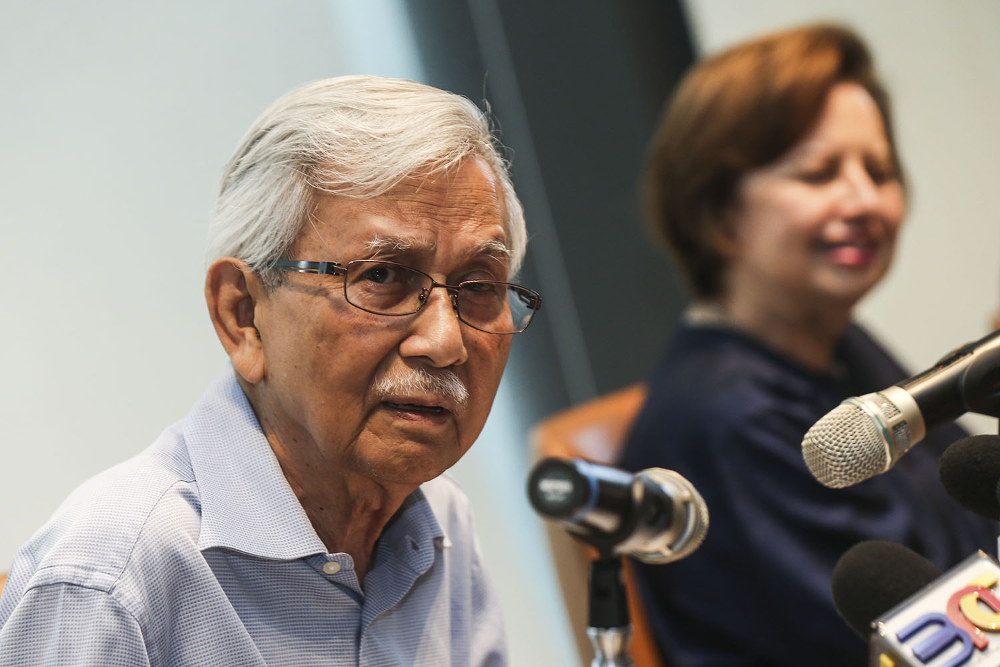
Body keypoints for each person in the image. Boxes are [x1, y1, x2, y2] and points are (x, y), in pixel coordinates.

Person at [0, 75, 542, 666]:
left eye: (479, 286)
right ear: (243, 317)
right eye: (382, 277)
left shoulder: (438, 522)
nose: (444, 341)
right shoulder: (110, 582)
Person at [620, 24, 998, 666]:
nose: (865, 199)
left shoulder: (833, 343)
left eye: (879, 170)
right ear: (721, 213)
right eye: (819, 173)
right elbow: (934, 628)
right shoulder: (729, 416)